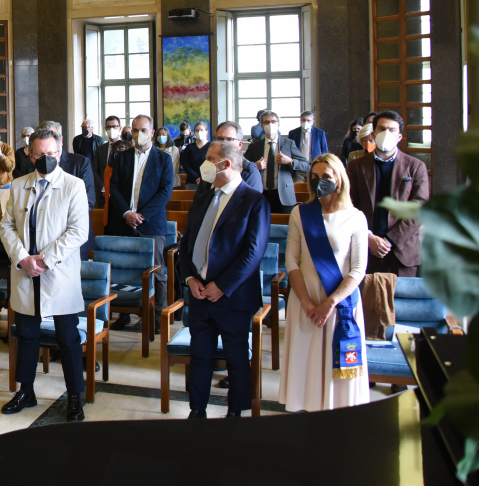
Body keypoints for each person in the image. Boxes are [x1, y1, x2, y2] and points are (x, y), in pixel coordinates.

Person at [0, 129, 89, 422]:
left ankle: (75, 395)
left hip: (58, 273)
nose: (46, 159)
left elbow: (78, 231)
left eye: (51, 154)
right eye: (40, 155)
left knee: (67, 338)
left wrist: (46, 260)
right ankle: (26, 390)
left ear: (59, 153)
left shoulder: (73, 185)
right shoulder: (18, 185)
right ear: (29, 154)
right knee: (26, 334)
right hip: (26, 272)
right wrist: (23, 258)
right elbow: (7, 225)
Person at [178, 139, 269, 418]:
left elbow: (253, 253)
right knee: (200, 356)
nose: (204, 164)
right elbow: (186, 244)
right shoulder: (204, 196)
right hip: (200, 293)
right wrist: (190, 279)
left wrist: (222, 285)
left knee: (237, 358)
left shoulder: (253, 201)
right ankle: (197, 410)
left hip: (233, 297)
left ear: (226, 164)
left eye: (210, 159)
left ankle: (235, 413)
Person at [279, 154, 370, 412]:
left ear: (339, 180)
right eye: (314, 177)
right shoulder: (301, 213)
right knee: (306, 361)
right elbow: (292, 262)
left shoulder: (355, 217)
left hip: (339, 303)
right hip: (305, 302)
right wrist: (308, 304)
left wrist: (329, 303)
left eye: (327, 177)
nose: (320, 182)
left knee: (336, 363)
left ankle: (338, 418)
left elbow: (358, 268)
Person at [105, 115, 174, 328]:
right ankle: (123, 314)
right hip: (123, 221)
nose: (138, 134)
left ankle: (156, 318)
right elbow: (114, 188)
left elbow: (165, 193)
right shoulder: (122, 157)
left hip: (151, 224)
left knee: (157, 271)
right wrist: (126, 213)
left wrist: (141, 216)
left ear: (151, 132)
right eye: (135, 130)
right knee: (122, 270)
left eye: (143, 130)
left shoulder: (164, 159)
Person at [346, 111, 429, 277]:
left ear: (399, 137)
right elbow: (348, 205)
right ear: (373, 133)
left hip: (402, 251)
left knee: (401, 302)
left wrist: (389, 240)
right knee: (366, 301)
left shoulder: (415, 166)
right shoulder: (356, 166)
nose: (386, 133)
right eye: (382, 128)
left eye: (392, 130)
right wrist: (368, 236)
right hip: (365, 248)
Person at [39, 121, 95, 258]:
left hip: (73, 239)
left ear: (61, 140)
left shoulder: (80, 163)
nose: (50, 142)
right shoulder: (31, 165)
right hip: (39, 240)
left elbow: (88, 202)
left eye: (53, 137)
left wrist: (55, 225)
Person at [245, 110, 309, 214]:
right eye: (267, 122)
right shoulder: (254, 146)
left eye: (273, 122)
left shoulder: (289, 143)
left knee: (284, 227)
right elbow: (242, 166)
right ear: (262, 126)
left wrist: (291, 162)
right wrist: (254, 166)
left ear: (278, 125)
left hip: (284, 195)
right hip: (260, 193)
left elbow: (306, 165)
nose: (270, 124)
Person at [195, 122, 263, 195]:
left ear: (240, 145)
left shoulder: (249, 170)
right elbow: (199, 200)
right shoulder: (210, 166)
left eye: (230, 139)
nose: (224, 144)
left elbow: (251, 202)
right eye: (220, 139)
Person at [91, 115, 128, 207]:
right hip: (103, 195)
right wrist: (104, 187)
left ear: (119, 128)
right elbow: (94, 170)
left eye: (114, 127)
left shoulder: (128, 147)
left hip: (122, 194)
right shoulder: (100, 149)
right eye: (109, 127)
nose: (112, 129)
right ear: (105, 129)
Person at [288, 111, 328, 182]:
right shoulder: (293, 133)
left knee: (314, 187)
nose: (306, 122)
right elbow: (289, 150)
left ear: (313, 122)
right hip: (299, 165)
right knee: (299, 187)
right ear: (300, 120)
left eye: (308, 120)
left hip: (314, 164)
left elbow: (324, 150)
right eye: (304, 120)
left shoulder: (320, 133)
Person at [178, 121, 210, 189]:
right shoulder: (189, 147)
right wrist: (196, 177)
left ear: (206, 131)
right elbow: (185, 164)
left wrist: (204, 178)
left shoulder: (211, 147)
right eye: (197, 130)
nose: (199, 132)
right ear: (194, 132)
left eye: (201, 130)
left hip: (208, 181)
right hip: (192, 181)